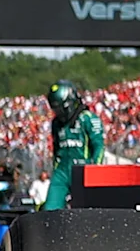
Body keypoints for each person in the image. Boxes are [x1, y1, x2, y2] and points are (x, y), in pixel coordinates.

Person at [40, 82, 108, 210]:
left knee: (84, 212)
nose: (58, 113)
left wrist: (94, 170)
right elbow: (56, 148)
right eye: (55, 109)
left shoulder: (88, 119)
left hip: (84, 170)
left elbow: (99, 146)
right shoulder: (56, 123)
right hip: (62, 171)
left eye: (60, 109)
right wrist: (56, 167)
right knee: (49, 210)